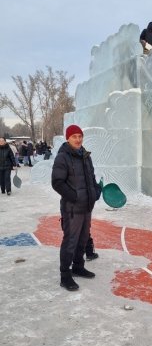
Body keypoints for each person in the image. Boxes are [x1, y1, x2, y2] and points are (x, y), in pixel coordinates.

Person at [52, 124, 102, 291]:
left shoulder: (86, 156)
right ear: (68, 138)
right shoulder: (63, 157)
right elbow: (57, 182)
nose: (78, 139)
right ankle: (65, 276)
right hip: (72, 208)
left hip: (87, 206)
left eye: (80, 136)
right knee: (70, 242)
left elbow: (91, 177)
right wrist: (74, 196)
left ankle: (78, 267)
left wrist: (95, 191)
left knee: (82, 240)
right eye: (74, 136)